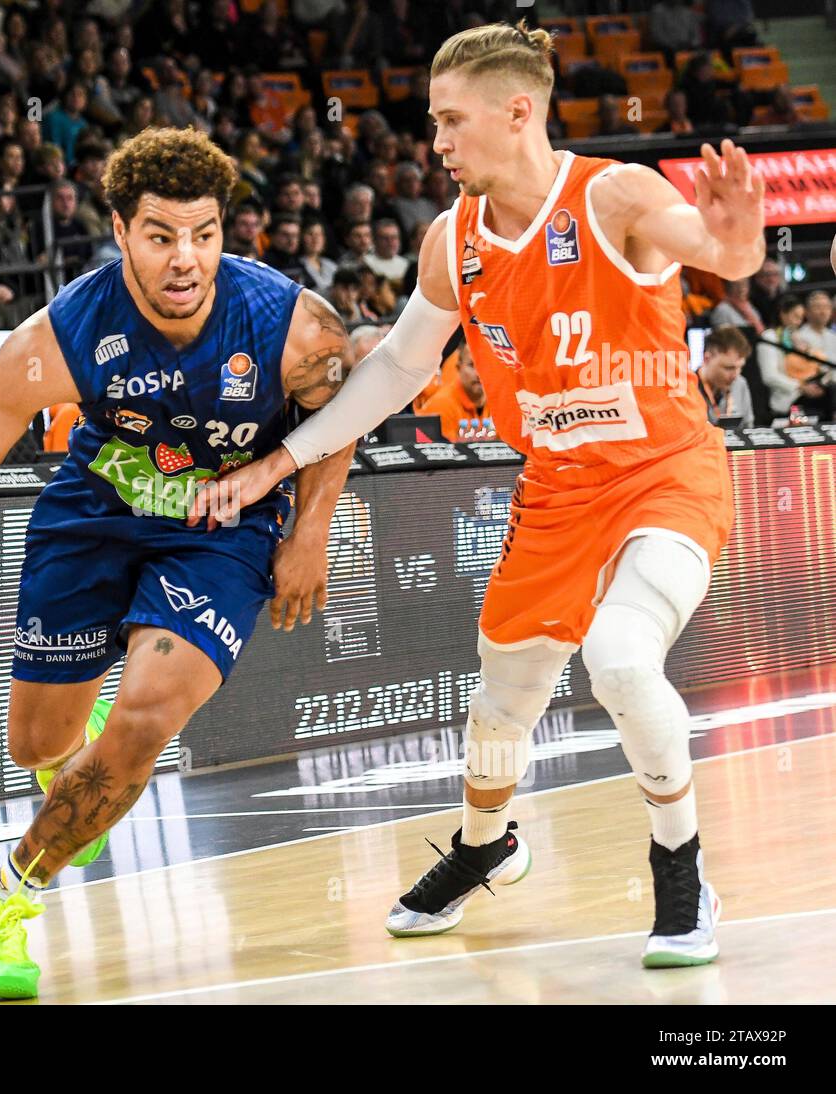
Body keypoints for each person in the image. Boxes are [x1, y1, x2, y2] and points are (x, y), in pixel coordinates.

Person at [192, 21, 766, 970]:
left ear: (517, 111)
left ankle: (681, 869)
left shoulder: (616, 196)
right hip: (555, 496)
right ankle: (484, 845)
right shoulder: (449, 242)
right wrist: (275, 465)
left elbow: (717, 248)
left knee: (620, 661)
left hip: (663, 474)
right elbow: (392, 374)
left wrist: (739, 241)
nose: (438, 142)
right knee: (499, 708)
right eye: (433, 123)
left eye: (452, 121)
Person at [0, 127, 355, 999]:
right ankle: (85, 768)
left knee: (146, 716)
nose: (185, 259)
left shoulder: (293, 325)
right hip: (96, 508)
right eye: (161, 235)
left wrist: (312, 526)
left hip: (222, 526)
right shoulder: (61, 335)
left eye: (204, 234)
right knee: (39, 742)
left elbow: (340, 411)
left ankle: (1, 898)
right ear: (119, 228)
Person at [417, 340, 485, 440]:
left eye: (485, 365)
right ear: (458, 368)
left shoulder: (500, 401)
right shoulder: (440, 406)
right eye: (472, 365)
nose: (479, 374)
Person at [696, 325, 754, 427]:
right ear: (707, 359)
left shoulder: (740, 384)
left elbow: (748, 427)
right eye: (729, 368)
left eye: (740, 367)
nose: (735, 375)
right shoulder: (689, 389)